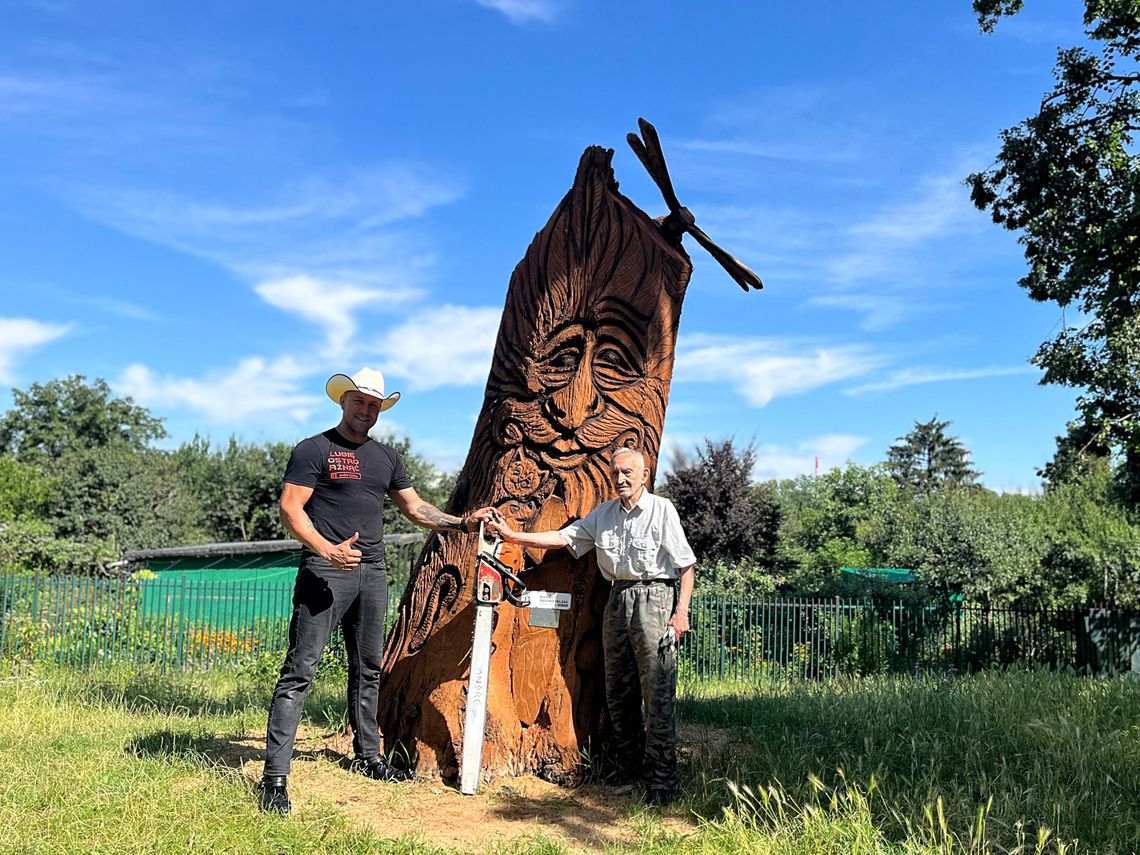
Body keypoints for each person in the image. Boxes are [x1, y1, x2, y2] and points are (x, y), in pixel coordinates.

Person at [258, 367, 483, 815]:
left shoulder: (387, 458)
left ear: (381, 410)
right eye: (359, 402)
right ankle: (275, 779)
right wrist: (327, 550)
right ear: (343, 402)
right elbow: (290, 507)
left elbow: (415, 507)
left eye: (374, 405)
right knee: (300, 670)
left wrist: (463, 522)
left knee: (368, 668)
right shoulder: (313, 449)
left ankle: (368, 757)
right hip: (326, 570)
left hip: (373, 573)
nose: (366, 410)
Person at [485, 447, 695, 807]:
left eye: (628, 472)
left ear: (644, 476)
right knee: (618, 690)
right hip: (617, 599)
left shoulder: (662, 511)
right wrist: (513, 537)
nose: (621, 478)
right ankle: (629, 769)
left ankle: (662, 779)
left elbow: (686, 567)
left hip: (654, 599)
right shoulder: (604, 516)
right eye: (616, 473)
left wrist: (681, 612)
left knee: (656, 691)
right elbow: (563, 538)